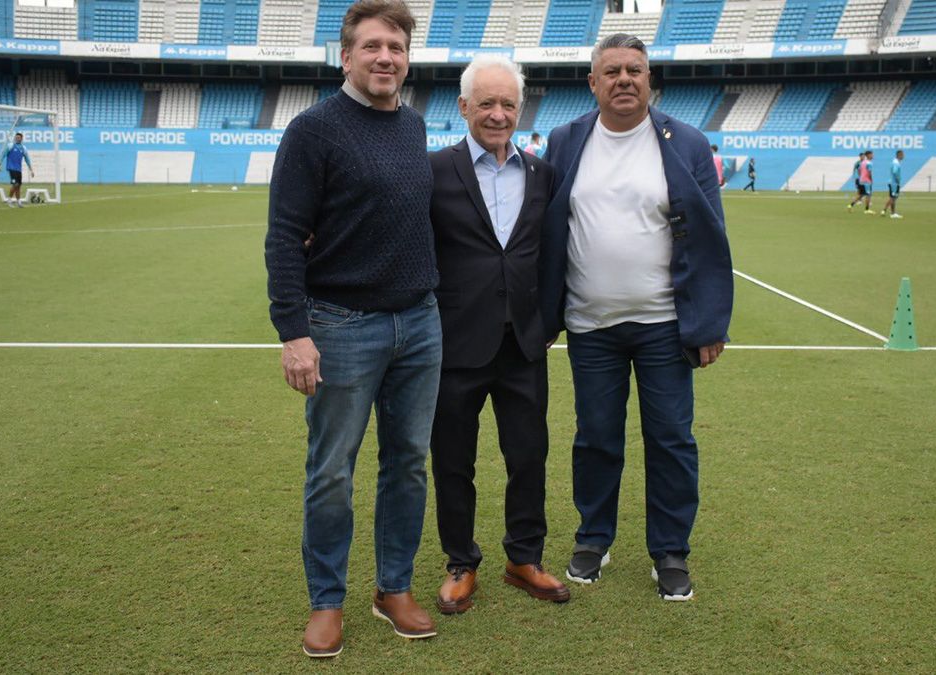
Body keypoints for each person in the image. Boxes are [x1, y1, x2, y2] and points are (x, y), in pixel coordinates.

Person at [265, 0, 442, 657]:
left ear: (406, 59)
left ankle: (393, 587)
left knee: (409, 464)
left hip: (420, 324)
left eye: (395, 48)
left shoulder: (415, 127)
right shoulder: (314, 130)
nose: (385, 58)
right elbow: (284, 234)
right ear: (346, 56)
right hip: (339, 326)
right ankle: (327, 600)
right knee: (332, 470)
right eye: (372, 46)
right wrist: (294, 329)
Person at [539, 33, 733, 602]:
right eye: (613, 71)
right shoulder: (566, 140)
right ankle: (593, 540)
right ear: (593, 82)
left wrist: (711, 323)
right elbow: (547, 229)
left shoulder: (687, 143)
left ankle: (670, 551)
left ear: (651, 80)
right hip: (590, 325)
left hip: (664, 325)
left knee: (671, 439)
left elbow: (711, 239)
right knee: (596, 438)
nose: (625, 79)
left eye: (635, 70)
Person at [427, 54, 568, 616]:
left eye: (508, 103)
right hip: (455, 342)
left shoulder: (542, 174)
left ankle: (524, 558)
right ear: (463, 107)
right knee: (452, 460)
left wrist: (549, 323)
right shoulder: (434, 170)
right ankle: (461, 562)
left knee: (529, 454)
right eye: (486, 103)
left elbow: (552, 256)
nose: (498, 113)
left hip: (524, 345)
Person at [0, 132, 33, 207]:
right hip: (11, 168)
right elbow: (3, 154)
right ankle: (9, 200)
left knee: (18, 185)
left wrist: (31, 169)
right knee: (15, 184)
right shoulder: (10, 146)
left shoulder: (24, 148)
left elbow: (27, 159)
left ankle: (19, 202)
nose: (17, 138)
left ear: (21, 139)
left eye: (19, 137)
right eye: (16, 137)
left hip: (18, 169)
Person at [880, 149, 904, 219]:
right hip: (894, 183)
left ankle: (891, 212)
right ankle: (885, 211)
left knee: (894, 197)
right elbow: (895, 172)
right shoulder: (896, 163)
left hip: (893, 182)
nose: (903, 156)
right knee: (893, 198)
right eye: (902, 155)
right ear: (899, 155)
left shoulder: (895, 162)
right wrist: (897, 180)